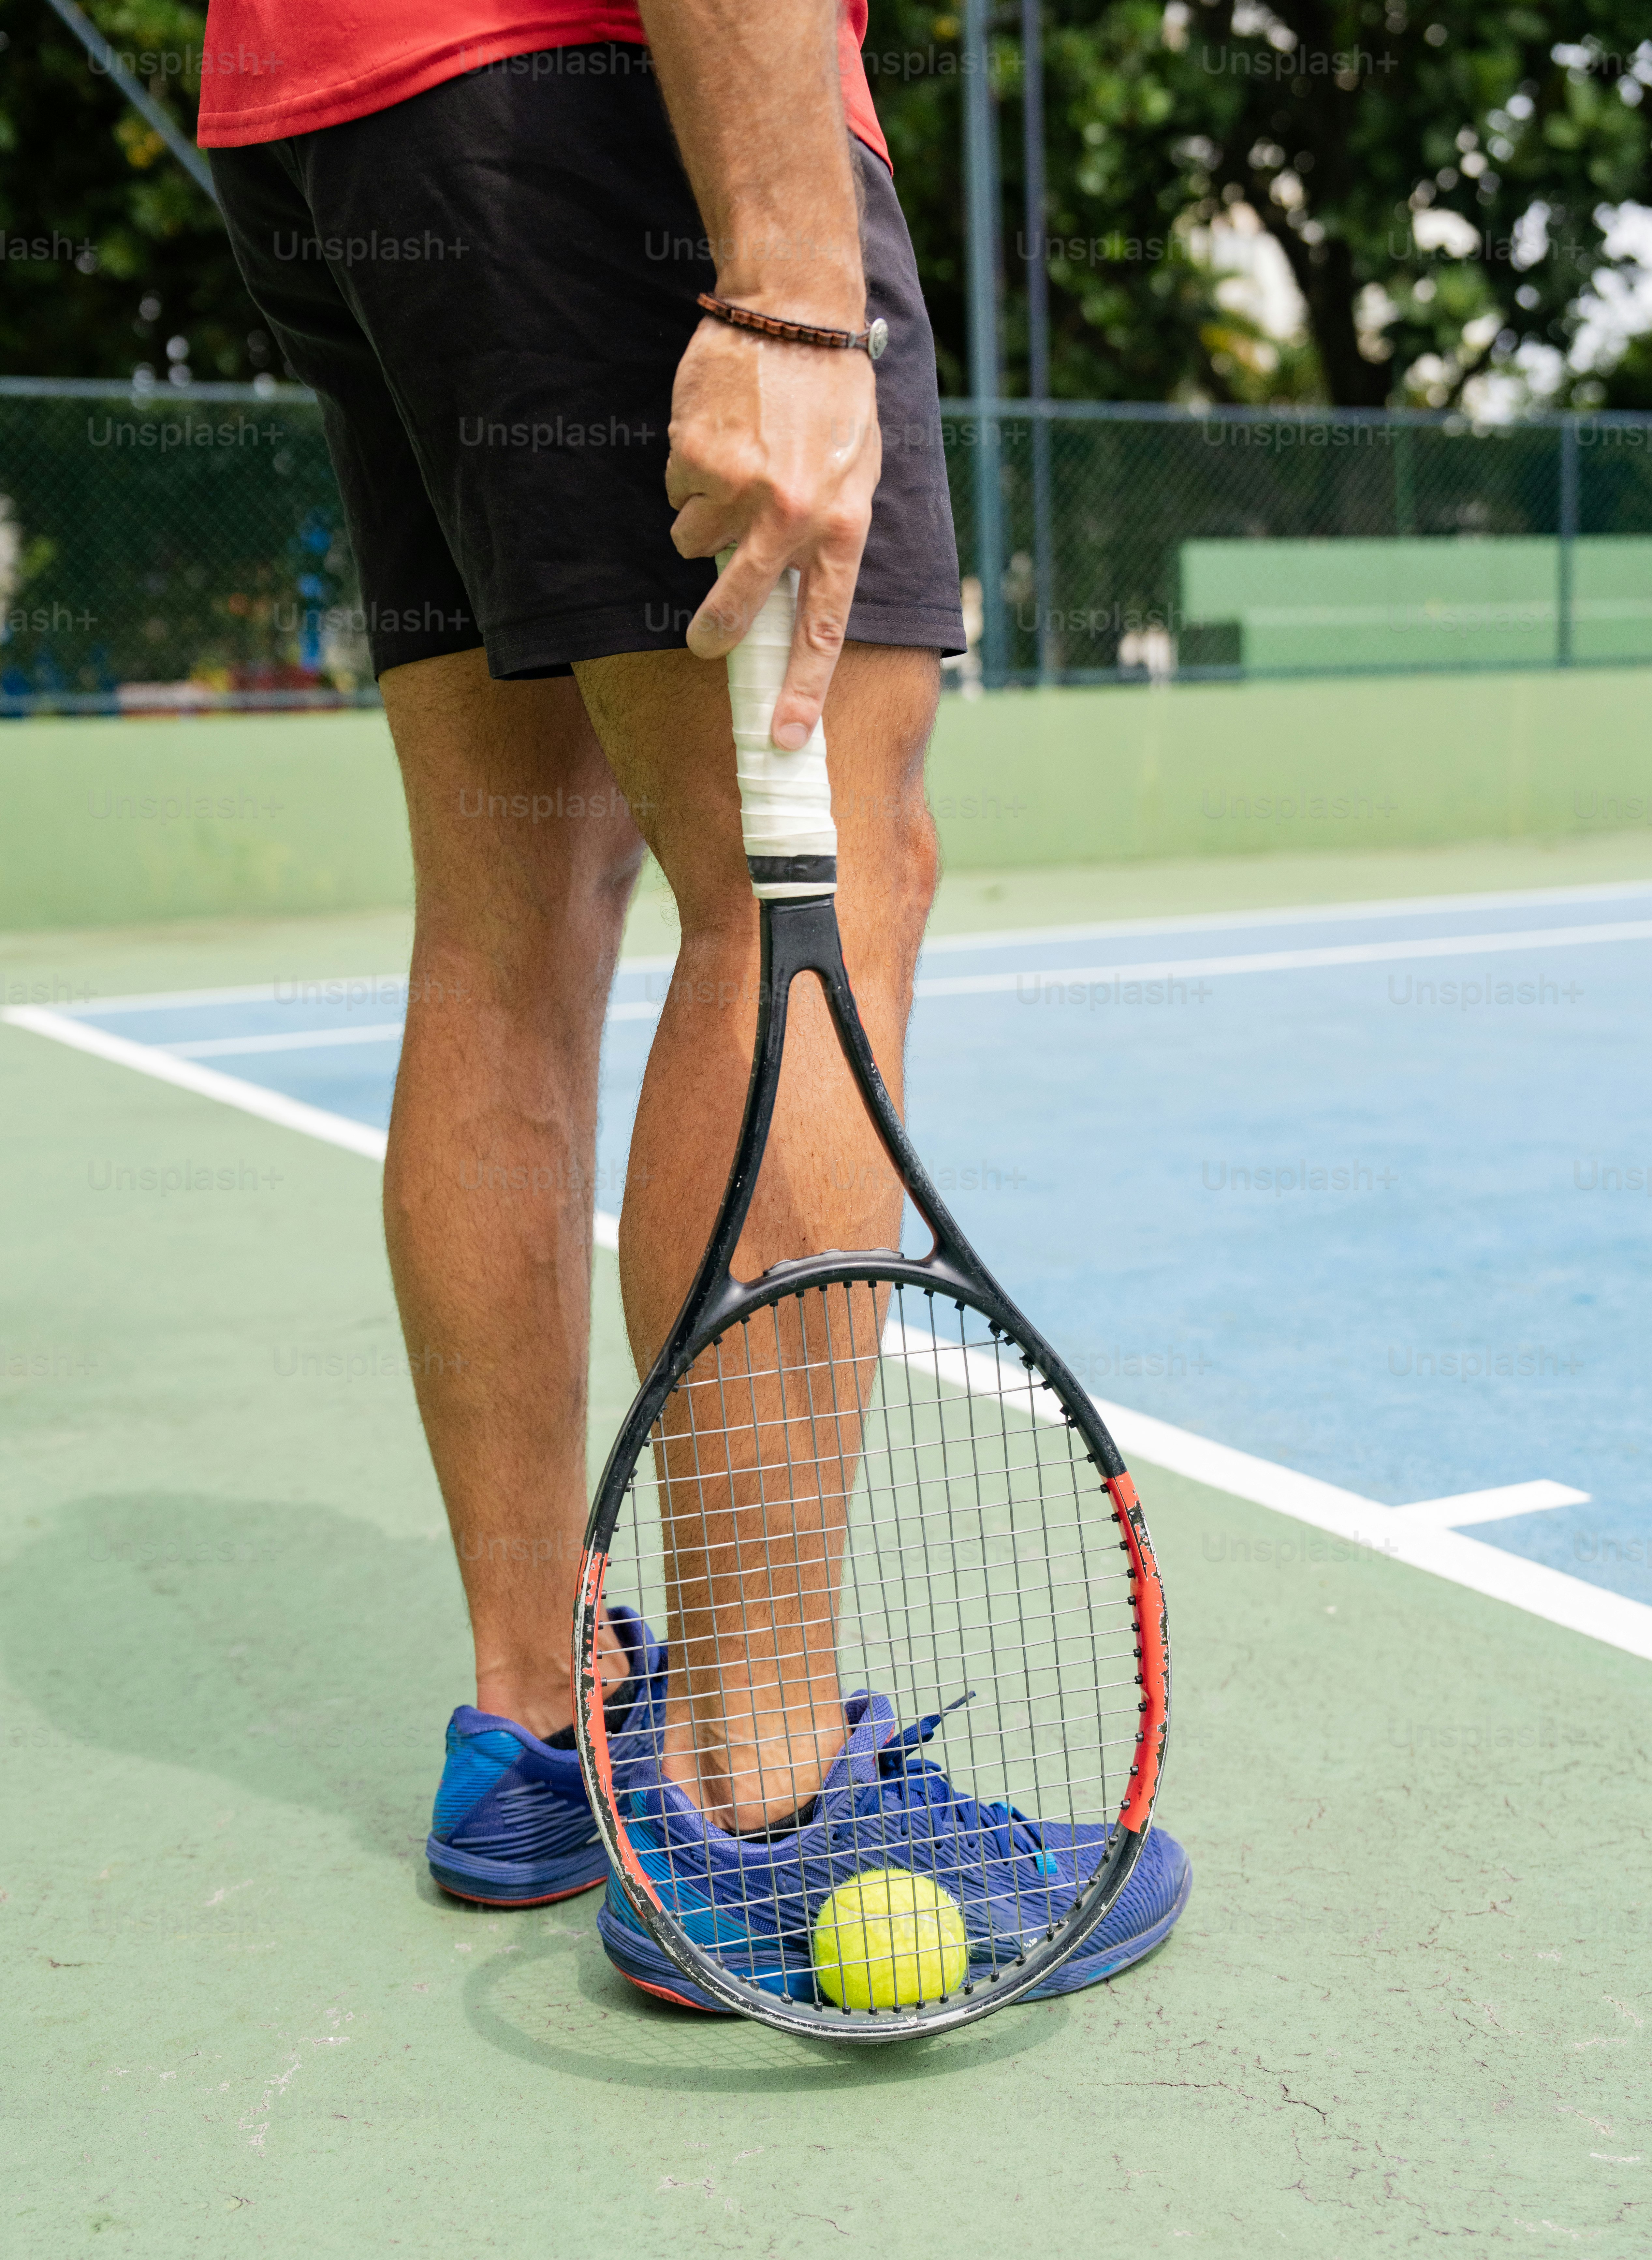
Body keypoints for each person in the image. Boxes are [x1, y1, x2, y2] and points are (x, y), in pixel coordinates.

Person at [199, 0, 1187, 2004]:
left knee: (512, 914)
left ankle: (533, 1727)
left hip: (333, 100)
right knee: (815, 874)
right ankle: (751, 1798)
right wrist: (795, 285)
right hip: (608, 81)